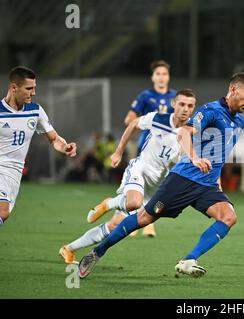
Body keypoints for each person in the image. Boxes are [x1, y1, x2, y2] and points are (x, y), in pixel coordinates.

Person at [77, 72, 244, 279]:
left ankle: (189, 259)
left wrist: (216, 182)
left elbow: (219, 154)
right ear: (234, 89)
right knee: (144, 218)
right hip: (184, 179)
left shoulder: (240, 122)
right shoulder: (211, 110)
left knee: (229, 217)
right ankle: (97, 252)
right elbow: (183, 133)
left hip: (206, 186)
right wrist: (194, 158)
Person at [59, 89, 196, 264]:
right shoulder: (158, 119)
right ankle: (109, 203)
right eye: (182, 104)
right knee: (133, 203)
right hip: (140, 170)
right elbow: (132, 124)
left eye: (190, 106)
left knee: (113, 226)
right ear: (173, 104)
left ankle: (69, 249)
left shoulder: (191, 132)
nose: (185, 109)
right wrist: (118, 152)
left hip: (155, 187)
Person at [0, 66, 77, 226]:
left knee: (4, 215)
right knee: (2, 211)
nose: (33, 93)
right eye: (29, 89)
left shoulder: (35, 111)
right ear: (14, 88)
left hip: (14, 174)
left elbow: (54, 138)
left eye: (34, 88)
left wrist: (65, 147)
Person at [124, 60, 177, 237]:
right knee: (141, 181)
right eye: (158, 74)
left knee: (160, 185)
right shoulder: (145, 96)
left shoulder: (176, 97)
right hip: (146, 146)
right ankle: (133, 217)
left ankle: (147, 222)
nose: (161, 77)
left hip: (168, 150)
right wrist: (134, 122)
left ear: (168, 77)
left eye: (164, 74)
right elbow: (130, 117)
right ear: (152, 77)